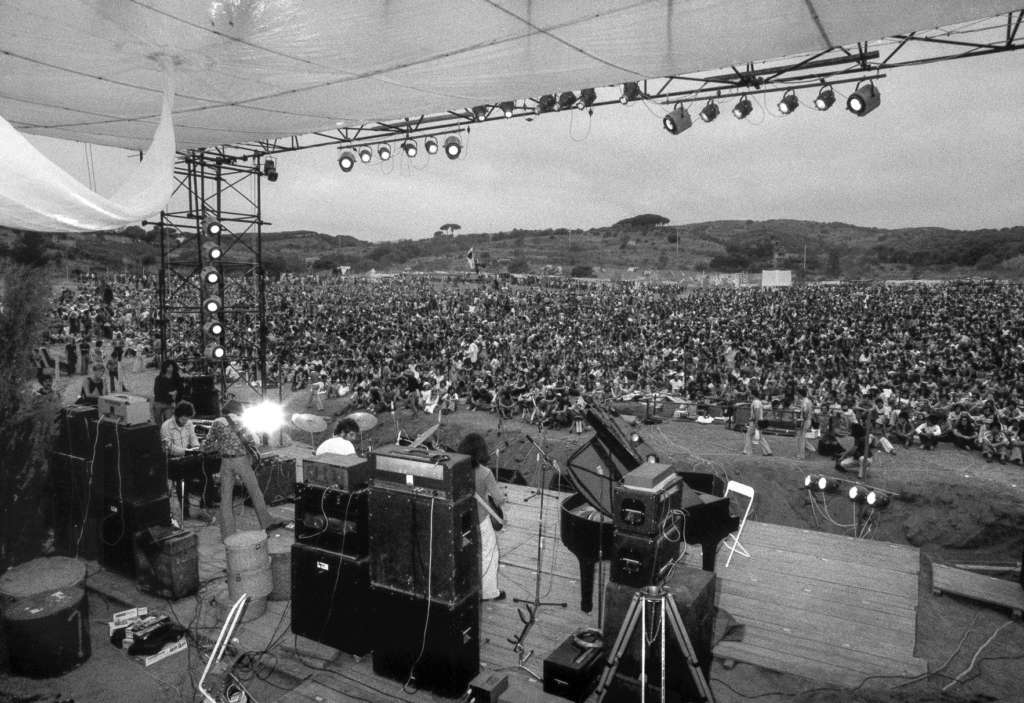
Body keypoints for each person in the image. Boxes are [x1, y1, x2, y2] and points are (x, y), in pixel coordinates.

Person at [201, 399, 285, 540]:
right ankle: (266, 522)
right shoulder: (242, 422)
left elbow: (208, 445)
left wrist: (217, 446)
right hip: (242, 461)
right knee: (255, 492)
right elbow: (255, 442)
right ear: (238, 411)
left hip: (226, 462)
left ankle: (228, 534)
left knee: (226, 498)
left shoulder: (217, 422)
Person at [456, 432, 506, 602]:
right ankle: (489, 592)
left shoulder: (456, 470)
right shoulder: (485, 473)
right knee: (489, 553)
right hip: (481, 520)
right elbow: (499, 500)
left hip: (462, 521)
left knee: (466, 552)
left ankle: (465, 587)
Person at [160, 400, 204, 526]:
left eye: (188, 419)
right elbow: (169, 448)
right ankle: (185, 511)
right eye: (184, 418)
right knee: (181, 481)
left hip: (186, 456)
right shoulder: (166, 426)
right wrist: (187, 451)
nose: (186, 421)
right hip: (172, 461)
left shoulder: (189, 423)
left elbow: (193, 437)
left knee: (203, 473)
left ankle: (203, 505)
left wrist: (196, 448)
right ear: (178, 415)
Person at [743, 387, 773, 457]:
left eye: (750, 394)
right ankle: (767, 451)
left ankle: (748, 451)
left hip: (755, 422)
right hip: (758, 421)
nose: (749, 395)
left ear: (753, 394)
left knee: (749, 435)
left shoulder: (756, 402)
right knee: (760, 437)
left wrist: (756, 423)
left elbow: (757, 412)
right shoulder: (758, 401)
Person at [152, 360, 184, 424]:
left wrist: (176, 392)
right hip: (159, 402)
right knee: (158, 422)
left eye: (171, 367)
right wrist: (169, 393)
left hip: (169, 404)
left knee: (168, 423)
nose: (170, 369)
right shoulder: (159, 378)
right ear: (165, 368)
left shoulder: (176, 377)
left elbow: (181, 388)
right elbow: (157, 391)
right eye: (168, 367)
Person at [795, 387, 816, 459]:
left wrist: (802, 420)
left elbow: (805, 412)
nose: (797, 395)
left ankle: (801, 455)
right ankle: (811, 449)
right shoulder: (808, 401)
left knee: (801, 438)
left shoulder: (805, 401)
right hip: (807, 420)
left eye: (798, 394)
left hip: (805, 420)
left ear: (800, 394)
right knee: (801, 438)